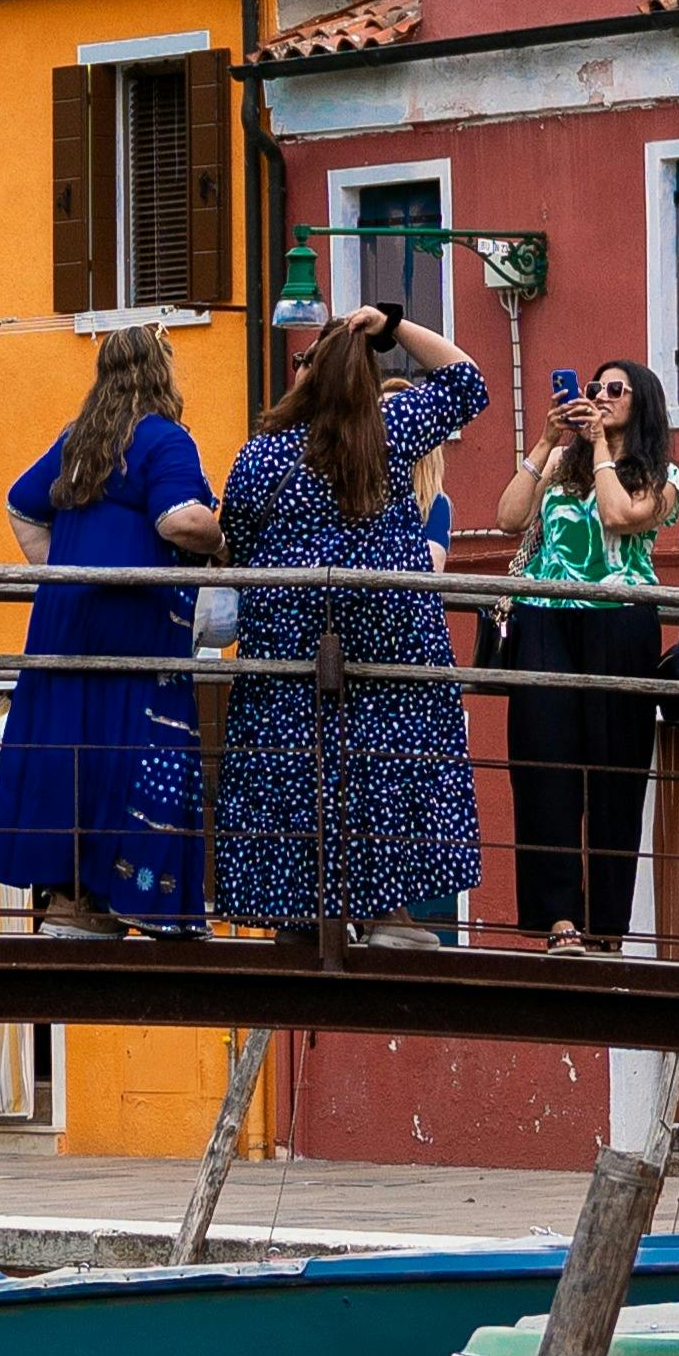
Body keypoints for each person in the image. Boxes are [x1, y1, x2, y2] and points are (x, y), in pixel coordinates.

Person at [215, 303, 488, 939]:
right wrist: (391, 328)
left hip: (289, 638)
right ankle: (391, 913)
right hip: (389, 630)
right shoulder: (389, 435)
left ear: (305, 379)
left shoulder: (261, 459)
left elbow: (233, 537)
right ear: (366, 381)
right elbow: (468, 379)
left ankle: (295, 915)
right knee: (388, 759)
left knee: (290, 761)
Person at [0, 323, 221, 936]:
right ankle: (124, 899)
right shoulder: (165, 439)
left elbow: (20, 503)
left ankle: (71, 905)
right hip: (135, 628)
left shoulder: (80, 439)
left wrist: (64, 574)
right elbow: (179, 521)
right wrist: (226, 540)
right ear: (162, 372)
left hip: (65, 623)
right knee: (128, 751)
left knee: (72, 747)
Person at [493, 358, 679, 954]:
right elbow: (507, 518)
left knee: (615, 776)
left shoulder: (663, 473)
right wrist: (548, 441)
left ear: (641, 401)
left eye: (614, 389)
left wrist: (599, 446)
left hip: (621, 623)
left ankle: (605, 927)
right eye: (594, 388)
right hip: (546, 619)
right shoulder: (560, 460)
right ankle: (559, 922)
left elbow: (620, 514)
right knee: (543, 767)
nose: (599, 396)